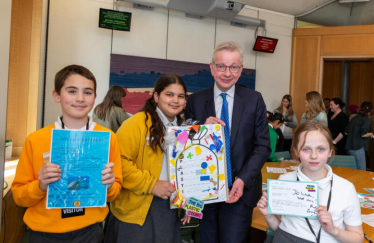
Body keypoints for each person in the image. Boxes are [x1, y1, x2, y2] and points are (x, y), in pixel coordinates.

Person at [11, 65, 122, 243]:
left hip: (90, 233)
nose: (80, 98)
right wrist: (40, 185)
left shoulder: (108, 139)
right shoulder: (36, 139)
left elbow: (115, 191)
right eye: (71, 91)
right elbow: (19, 196)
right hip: (44, 234)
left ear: (95, 97)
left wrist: (109, 186)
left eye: (87, 92)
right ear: (57, 95)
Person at [185, 41, 271, 242]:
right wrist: (201, 130)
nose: (227, 73)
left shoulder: (254, 99)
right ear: (212, 68)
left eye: (233, 67)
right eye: (221, 66)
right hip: (203, 193)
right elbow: (185, 144)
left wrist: (242, 179)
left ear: (240, 70)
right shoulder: (195, 101)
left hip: (240, 192)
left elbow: (263, 145)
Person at [105, 74, 190, 243]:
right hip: (137, 210)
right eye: (169, 94)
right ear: (156, 96)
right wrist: (151, 185)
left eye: (180, 96)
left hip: (169, 207)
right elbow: (118, 162)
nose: (175, 100)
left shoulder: (184, 130)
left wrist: (189, 202)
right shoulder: (136, 123)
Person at [257, 122, 364, 243]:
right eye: (306, 149)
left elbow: (358, 239)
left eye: (321, 149)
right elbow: (280, 227)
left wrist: (333, 230)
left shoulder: (346, 188)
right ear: (296, 151)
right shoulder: (284, 180)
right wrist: (268, 214)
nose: (313, 156)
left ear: (330, 151)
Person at [345, 101, 373, 171]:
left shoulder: (354, 118)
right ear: (371, 110)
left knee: (352, 171)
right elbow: (364, 134)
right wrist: (371, 134)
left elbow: (346, 132)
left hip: (349, 147)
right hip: (358, 147)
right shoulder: (366, 119)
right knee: (361, 171)